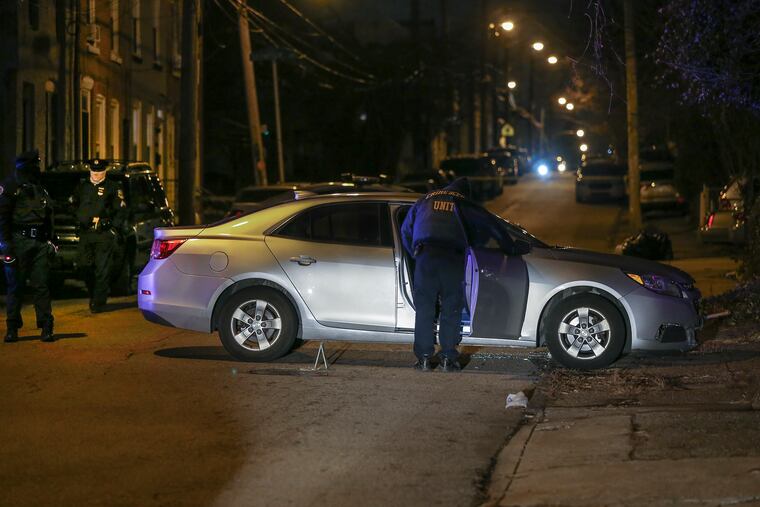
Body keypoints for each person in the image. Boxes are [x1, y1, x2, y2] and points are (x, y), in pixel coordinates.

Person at [401, 177, 471, 372]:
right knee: (451, 309)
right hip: (452, 259)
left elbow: (406, 230)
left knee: (424, 310)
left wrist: (415, 253)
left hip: (426, 257)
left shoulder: (425, 199)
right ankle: (448, 359)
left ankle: (423, 359)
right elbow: (480, 232)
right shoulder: (464, 203)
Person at [0, 150, 56, 342]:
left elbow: (49, 216)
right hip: (18, 242)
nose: (37, 168)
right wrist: (6, 247)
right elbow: (2, 219)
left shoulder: (40, 186)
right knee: (15, 286)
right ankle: (12, 327)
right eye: (35, 165)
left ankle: (46, 326)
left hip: (39, 242)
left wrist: (52, 241)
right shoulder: (10, 186)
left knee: (41, 286)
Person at [71, 159, 127, 313]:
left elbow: (120, 211)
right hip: (86, 233)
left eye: (99, 172)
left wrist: (110, 225)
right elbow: (73, 204)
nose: (96, 175)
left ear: (105, 171)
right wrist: (78, 219)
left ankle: (98, 301)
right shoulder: (82, 187)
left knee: (102, 269)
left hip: (103, 234)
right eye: (93, 171)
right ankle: (93, 293)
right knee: (84, 266)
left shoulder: (112, 187)